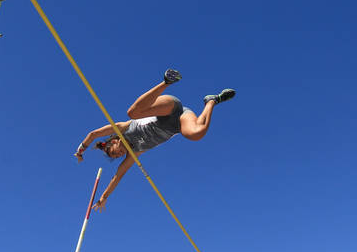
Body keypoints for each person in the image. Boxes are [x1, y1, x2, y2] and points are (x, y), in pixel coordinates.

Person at [74, 69, 236, 210]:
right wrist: (103, 198)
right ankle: (211, 101)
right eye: (117, 157)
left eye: (115, 152)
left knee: (132, 113)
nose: (119, 155)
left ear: (113, 141)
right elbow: (117, 177)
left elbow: (93, 134)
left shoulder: (122, 128)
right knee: (196, 134)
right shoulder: (134, 153)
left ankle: (167, 81)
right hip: (179, 122)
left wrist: (81, 150)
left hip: (168, 109)